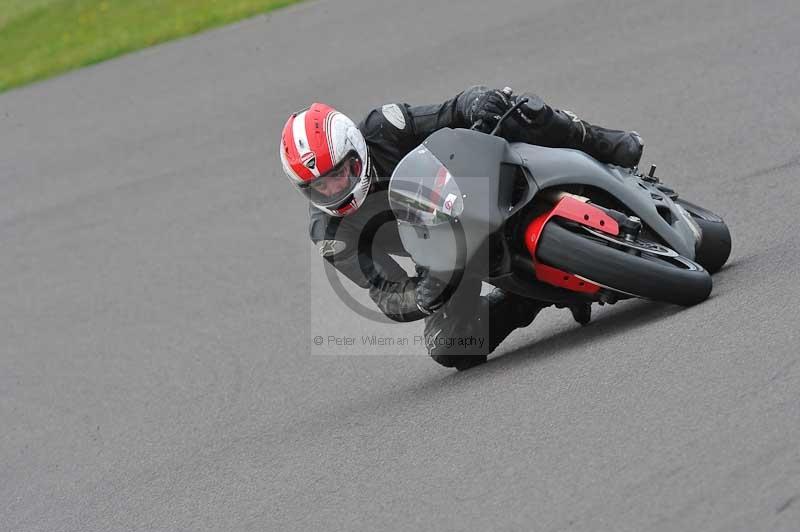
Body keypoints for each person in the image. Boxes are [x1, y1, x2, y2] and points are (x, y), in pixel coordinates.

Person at [279, 86, 643, 370]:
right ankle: (531, 296)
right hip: (439, 251)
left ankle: (604, 143)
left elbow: (450, 111)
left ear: (354, 147)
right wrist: (420, 296)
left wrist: (476, 102)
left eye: (339, 173)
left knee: (508, 106)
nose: (333, 188)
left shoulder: (383, 128)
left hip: (471, 181)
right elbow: (384, 290)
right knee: (450, 345)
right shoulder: (330, 232)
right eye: (319, 186)